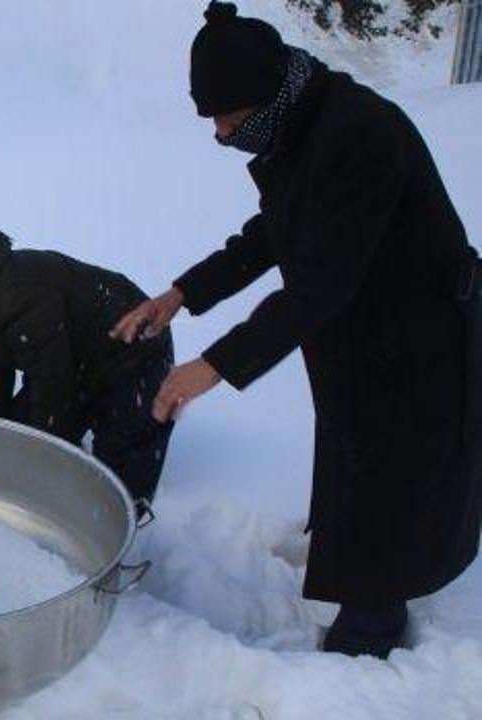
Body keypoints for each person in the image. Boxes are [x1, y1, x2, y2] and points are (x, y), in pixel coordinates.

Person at [112, 2, 480, 658]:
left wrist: (214, 366)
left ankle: (371, 628)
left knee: (393, 472)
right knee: (356, 453)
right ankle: (353, 568)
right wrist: (182, 294)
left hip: (419, 331)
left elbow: (321, 281)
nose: (221, 134)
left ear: (267, 94)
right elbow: (274, 233)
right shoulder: (301, 126)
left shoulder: (361, 133)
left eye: (229, 118)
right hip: (362, 324)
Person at [0, 222, 174, 507]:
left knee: (116, 490)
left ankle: (130, 520)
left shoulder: (16, 296)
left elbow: (53, 385)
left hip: (135, 349)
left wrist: (41, 461)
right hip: (74, 359)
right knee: (15, 442)